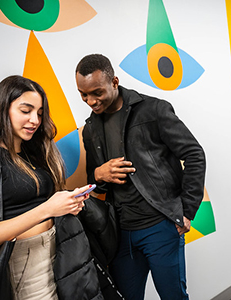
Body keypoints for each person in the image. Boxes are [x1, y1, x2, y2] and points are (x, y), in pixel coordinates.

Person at [0, 75, 104, 300]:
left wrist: (66, 204)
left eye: (39, 113)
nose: (35, 120)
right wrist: (47, 210)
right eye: (25, 110)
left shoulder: (31, 153)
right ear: (2, 109)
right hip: (23, 263)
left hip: (57, 254)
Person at [75, 54, 206, 300]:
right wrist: (97, 173)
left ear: (114, 81)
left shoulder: (153, 109)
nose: (90, 101)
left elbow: (194, 154)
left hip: (161, 227)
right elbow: (96, 181)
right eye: (83, 95)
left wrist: (186, 211)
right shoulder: (91, 128)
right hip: (121, 234)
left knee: (174, 296)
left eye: (97, 92)